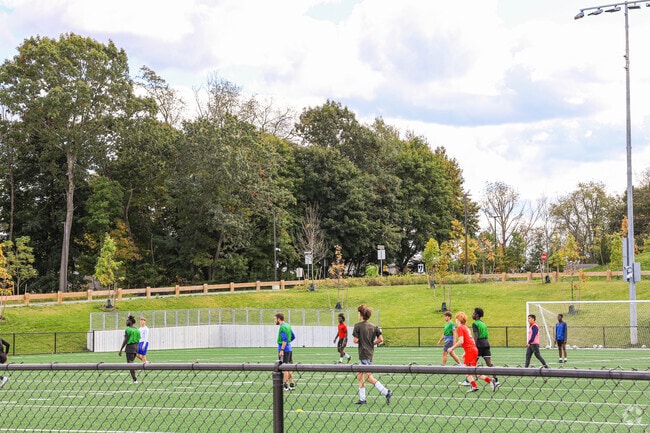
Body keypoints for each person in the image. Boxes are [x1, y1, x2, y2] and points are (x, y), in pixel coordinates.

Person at [447, 312, 498, 393]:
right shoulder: (466, 327)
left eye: (456, 318)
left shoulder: (460, 328)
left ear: (458, 320)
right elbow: (471, 340)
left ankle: (486, 382)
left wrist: (452, 348)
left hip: (471, 350)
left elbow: (461, 341)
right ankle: (480, 384)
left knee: (468, 370)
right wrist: (466, 352)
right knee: (470, 370)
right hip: (473, 349)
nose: (456, 320)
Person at [352, 304, 393, 405]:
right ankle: (362, 399)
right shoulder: (374, 327)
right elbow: (381, 339)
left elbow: (355, 340)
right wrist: (372, 343)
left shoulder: (357, 326)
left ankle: (386, 391)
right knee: (360, 375)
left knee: (368, 377)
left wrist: (359, 340)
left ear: (361, 315)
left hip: (363, 353)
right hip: (370, 353)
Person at [471, 308, 499, 387]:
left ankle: (468, 380)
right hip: (486, 343)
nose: (472, 314)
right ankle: (496, 380)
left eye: (473, 313)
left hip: (479, 344)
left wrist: (473, 346)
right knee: (489, 364)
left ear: (476, 315)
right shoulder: (483, 323)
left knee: (472, 362)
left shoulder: (475, 323)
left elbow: (476, 336)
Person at [274, 312, 296, 391]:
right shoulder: (288, 325)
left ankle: (285, 385)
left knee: (284, 368)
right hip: (289, 349)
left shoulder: (282, 327)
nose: (274, 321)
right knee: (289, 367)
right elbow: (293, 336)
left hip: (284, 350)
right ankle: (292, 384)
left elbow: (284, 339)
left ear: (279, 319)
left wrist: (282, 349)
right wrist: (288, 343)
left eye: (275, 319)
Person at [119, 315, 141, 384]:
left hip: (130, 347)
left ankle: (135, 379)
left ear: (130, 322)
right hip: (136, 347)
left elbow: (126, 340)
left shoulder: (128, 329)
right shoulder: (137, 330)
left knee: (130, 363)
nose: (126, 322)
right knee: (131, 362)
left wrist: (121, 349)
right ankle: (134, 377)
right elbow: (138, 339)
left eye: (127, 320)